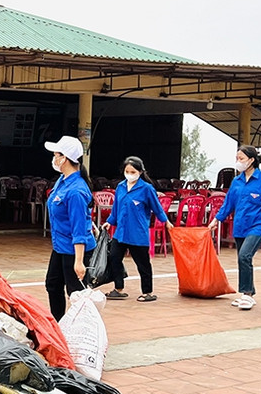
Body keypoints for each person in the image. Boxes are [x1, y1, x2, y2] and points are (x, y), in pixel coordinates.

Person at [208, 145, 261, 311]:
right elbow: (228, 204)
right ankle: (249, 293)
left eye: (241, 159)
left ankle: (246, 294)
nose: (238, 162)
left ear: (252, 160)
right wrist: (216, 220)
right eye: (237, 159)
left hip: (259, 225)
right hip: (241, 225)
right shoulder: (236, 181)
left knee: (245, 256)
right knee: (242, 257)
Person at [102, 156, 172, 302]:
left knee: (143, 263)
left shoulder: (146, 188)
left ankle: (147, 292)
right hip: (121, 232)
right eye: (127, 171)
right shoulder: (120, 187)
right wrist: (110, 221)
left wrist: (166, 221)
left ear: (140, 172)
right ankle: (118, 288)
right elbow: (116, 208)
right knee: (114, 257)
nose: (129, 174)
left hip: (137, 233)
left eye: (132, 171)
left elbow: (157, 208)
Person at [44, 135, 97, 320]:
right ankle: (59, 326)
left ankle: (81, 331)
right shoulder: (63, 180)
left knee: (76, 293)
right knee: (52, 284)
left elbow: (78, 228)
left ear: (64, 158)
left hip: (74, 250)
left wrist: (79, 261)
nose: (54, 159)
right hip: (61, 246)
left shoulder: (75, 190)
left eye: (56, 155)